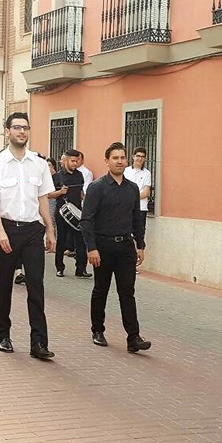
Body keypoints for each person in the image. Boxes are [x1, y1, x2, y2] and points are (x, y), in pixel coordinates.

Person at [0, 112, 57, 359]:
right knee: (3, 285)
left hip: (33, 230)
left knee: (36, 285)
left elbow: (43, 199)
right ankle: (3, 335)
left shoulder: (39, 163)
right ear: (7, 131)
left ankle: (39, 343)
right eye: (17, 127)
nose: (22, 131)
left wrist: (50, 229)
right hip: (6, 229)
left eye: (25, 127)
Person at [80, 142, 151, 353]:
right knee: (101, 289)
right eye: (115, 158)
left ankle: (133, 337)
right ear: (107, 161)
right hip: (102, 247)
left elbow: (137, 219)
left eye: (122, 158)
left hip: (126, 248)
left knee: (127, 293)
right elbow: (86, 220)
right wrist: (91, 248)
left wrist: (140, 244)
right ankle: (97, 330)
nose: (119, 161)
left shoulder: (132, 189)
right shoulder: (96, 187)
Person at [54, 149, 91, 278]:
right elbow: (48, 195)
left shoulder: (79, 175)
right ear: (66, 161)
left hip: (77, 211)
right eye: (73, 161)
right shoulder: (58, 176)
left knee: (81, 241)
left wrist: (84, 199)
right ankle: (59, 268)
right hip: (61, 212)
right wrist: (59, 192)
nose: (75, 164)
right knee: (62, 240)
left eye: (77, 161)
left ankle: (81, 269)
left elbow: (81, 193)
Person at [123, 147, 152, 233]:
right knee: (126, 232)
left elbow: (146, 192)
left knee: (139, 233)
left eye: (142, 156)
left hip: (141, 208)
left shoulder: (147, 173)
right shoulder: (125, 171)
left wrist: (131, 198)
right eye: (138, 156)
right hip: (126, 207)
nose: (140, 158)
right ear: (133, 157)